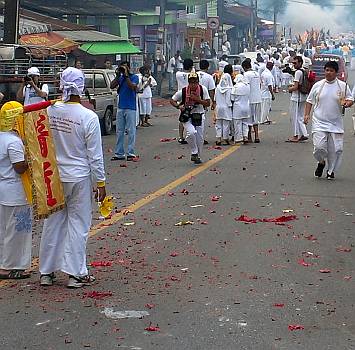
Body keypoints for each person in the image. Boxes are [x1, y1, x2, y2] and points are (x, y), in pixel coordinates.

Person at [39, 67, 106, 288]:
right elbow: (94, 156)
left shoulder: (50, 111)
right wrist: (101, 183)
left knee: (53, 223)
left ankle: (46, 272)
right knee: (78, 224)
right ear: (82, 86)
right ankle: (75, 273)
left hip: (54, 176)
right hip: (79, 178)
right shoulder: (88, 117)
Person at [304, 61, 353, 179]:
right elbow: (309, 101)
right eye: (327, 70)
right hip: (319, 121)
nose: (328, 73)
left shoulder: (342, 86)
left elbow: (350, 99)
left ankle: (331, 171)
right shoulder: (318, 85)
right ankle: (321, 162)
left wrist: (347, 103)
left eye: (331, 71)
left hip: (336, 122)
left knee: (336, 149)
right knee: (319, 147)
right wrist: (306, 115)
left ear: (336, 73)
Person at [0, 102, 32, 280]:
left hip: (3, 190)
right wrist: (32, 158)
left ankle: (4, 263)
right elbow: (19, 167)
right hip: (16, 192)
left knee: (4, 230)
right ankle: (13, 266)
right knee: (19, 231)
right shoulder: (13, 141)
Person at [170, 72, 210, 164]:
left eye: (195, 82)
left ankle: (197, 156)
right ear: (188, 82)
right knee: (191, 132)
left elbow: (208, 103)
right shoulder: (183, 91)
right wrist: (178, 106)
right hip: (187, 116)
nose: (193, 84)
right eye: (191, 82)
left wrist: (197, 99)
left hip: (199, 115)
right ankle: (194, 152)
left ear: (198, 82)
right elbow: (172, 100)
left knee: (200, 139)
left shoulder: (202, 89)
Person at [110, 61, 139, 161]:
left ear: (129, 68)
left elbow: (132, 87)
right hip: (121, 106)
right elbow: (111, 86)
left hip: (130, 107)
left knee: (131, 130)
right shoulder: (120, 77)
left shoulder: (134, 77)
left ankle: (130, 152)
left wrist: (126, 76)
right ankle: (119, 153)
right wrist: (118, 76)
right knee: (119, 131)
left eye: (125, 67)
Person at [287, 55, 309, 143]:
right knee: (300, 116)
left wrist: (289, 89)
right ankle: (304, 134)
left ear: (300, 63)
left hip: (297, 97)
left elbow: (295, 87)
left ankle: (295, 136)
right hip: (303, 96)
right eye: (293, 63)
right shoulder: (304, 71)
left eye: (295, 63)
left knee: (294, 117)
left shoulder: (298, 72)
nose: (294, 65)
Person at [242, 59, 262, 143]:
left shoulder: (246, 74)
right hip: (258, 98)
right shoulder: (256, 73)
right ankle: (257, 136)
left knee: (249, 118)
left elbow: (245, 86)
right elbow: (260, 84)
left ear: (244, 67)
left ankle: (249, 136)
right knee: (256, 118)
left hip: (250, 98)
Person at [176, 59, 194, 144]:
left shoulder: (178, 74)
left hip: (180, 96)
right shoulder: (192, 75)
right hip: (189, 96)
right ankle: (190, 135)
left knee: (182, 117)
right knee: (192, 116)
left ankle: (181, 137)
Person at [198, 60, 216, 144]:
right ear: (207, 67)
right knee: (202, 120)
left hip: (193, 99)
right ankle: (200, 138)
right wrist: (213, 101)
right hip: (204, 101)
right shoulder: (209, 77)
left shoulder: (193, 75)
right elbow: (211, 90)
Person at [214, 65, 233, 145]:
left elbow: (215, 99)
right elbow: (231, 99)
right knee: (226, 124)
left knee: (218, 123)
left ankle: (218, 138)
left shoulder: (217, 88)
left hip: (219, 107)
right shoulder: (229, 89)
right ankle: (225, 139)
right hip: (226, 108)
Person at [231, 74, 250, 144]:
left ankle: (239, 138)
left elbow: (232, 98)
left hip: (237, 107)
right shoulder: (248, 86)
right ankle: (245, 136)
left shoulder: (235, 87)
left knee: (237, 123)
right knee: (245, 123)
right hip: (246, 107)